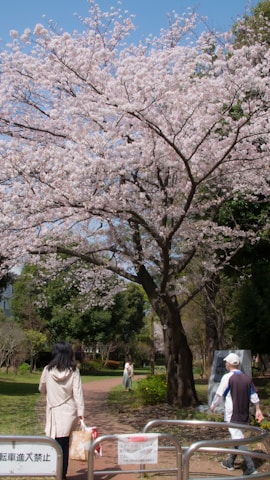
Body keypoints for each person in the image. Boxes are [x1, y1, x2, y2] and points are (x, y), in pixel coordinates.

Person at [210, 352, 264, 476]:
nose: (225, 365)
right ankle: (230, 462)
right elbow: (254, 396)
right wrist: (258, 409)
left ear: (228, 364)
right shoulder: (246, 378)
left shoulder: (227, 377)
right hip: (244, 413)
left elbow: (219, 394)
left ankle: (250, 467)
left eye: (226, 363)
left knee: (238, 439)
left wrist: (213, 405)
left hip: (232, 414)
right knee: (237, 436)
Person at [39, 341, 85, 479]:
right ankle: (62, 474)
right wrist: (81, 413)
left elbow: (41, 388)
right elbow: (78, 393)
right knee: (64, 445)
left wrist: (50, 392)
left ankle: (56, 472)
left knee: (54, 443)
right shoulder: (74, 371)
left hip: (53, 411)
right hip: (69, 412)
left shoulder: (47, 369)